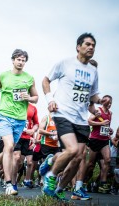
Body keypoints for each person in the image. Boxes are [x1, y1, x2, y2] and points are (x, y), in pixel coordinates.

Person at [42, 33, 107, 201]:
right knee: (71, 150)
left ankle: (60, 188)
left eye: (93, 45)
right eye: (87, 44)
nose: (91, 47)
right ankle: (50, 176)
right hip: (63, 113)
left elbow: (92, 95)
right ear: (78, 47)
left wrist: (99, 101)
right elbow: (46, 80)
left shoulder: (93, 71)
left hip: (81, 118)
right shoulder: (65, 63)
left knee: (78, 158)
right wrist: (50, 100)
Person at [0, 49, 39, 195]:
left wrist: (28, 98)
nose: (21, 62)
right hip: (4, 116)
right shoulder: (3, 76)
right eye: (18, 59)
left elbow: (36, 97)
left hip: (20, 120)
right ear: (13, 60)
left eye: (23, 60)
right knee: (9, 147)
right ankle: (9, 184)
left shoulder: (29, 78)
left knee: (7, 150)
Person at [84, 95, 113, 194]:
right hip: (95, 140)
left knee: (108, 160)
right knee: (91, 165)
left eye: (110, 103)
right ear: (103, 102)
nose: (109, 104)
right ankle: (84, 182)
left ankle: (102, 183)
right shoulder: (98, 110)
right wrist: (101, 123)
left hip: (104, 140)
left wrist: (110, 130)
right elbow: (89, 122)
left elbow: (106, 126)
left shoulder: (110, 113)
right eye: (107, 102)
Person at [14, 103, 39, 189]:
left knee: (26, 162)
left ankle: (26, 180)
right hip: (17, 136)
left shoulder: (33, 108)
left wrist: (32, 132)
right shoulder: (15, 104)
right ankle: (11, 181)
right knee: (17, 159)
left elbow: (36, 124)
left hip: (27, 138)